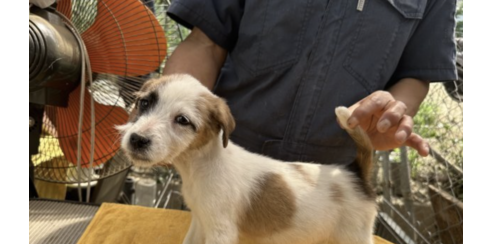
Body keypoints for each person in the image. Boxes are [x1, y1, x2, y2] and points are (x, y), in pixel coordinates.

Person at [162, 0, 458, 165]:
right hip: (222, 162)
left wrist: (392, 111)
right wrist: (168, 124)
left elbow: (416, 74)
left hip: (329, 188)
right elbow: (205, 43)